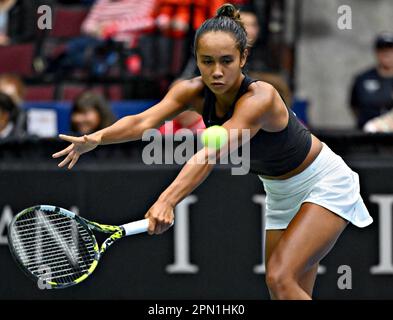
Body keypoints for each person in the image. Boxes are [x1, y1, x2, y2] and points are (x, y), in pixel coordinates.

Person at [52, 4, 373, 300]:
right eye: (207, 61)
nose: (217, 71)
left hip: (324, 182)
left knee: (280, 276)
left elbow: (210, 153)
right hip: (280, 192)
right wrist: (98, 138)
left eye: (226, 61)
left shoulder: (260, 98)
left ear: (243, 58)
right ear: (197, 59)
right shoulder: (189, 91)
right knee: (286, 291)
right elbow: (143, 121)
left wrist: (166, 200)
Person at [350, 31, 393, 129]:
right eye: (382, 49)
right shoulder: (362, 78)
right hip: (366, 135)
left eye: (390, 49)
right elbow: (354, 106)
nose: (387, 53)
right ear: (376, 52)